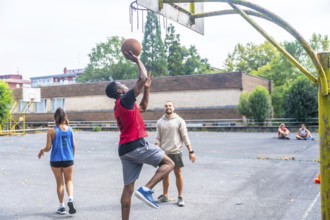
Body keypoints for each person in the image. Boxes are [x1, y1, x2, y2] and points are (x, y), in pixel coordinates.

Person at [105, 51, 174, 220]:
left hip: (125, 151)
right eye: (122, 84)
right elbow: (142, 78)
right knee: (169, 163)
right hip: (137, 145)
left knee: (128, 189)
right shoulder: (125, 99)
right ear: (120, 91)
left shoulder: (121, 105)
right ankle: (147, 189)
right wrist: (137, 59)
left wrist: (147, 90)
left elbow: (143, 106)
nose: (125, 85)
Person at [155, 101, 196, 207]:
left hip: (175, 152)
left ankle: (180, 197)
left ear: (173, 108)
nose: (168, 107)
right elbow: (158, 138)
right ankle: (165, 196)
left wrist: (191, 152)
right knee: (164, 174)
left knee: (178, 174)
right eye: (166, 106)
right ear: (164, 108)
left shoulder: (179, 121)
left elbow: (185, 137)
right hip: (164, 153)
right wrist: (156, 149)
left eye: (170, 106)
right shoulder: (160, 122)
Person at [37, 107, 77, 215]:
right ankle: (71, 199)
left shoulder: (51, 131)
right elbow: (74, 146)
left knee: (60, 184)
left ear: (55, 117)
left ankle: (62, 207)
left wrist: (42, 150)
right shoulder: (70, 129)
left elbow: (48, 147)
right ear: (65, 117)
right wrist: (71, 158)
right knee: (69, 181)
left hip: (55, 161)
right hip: (68, 160)